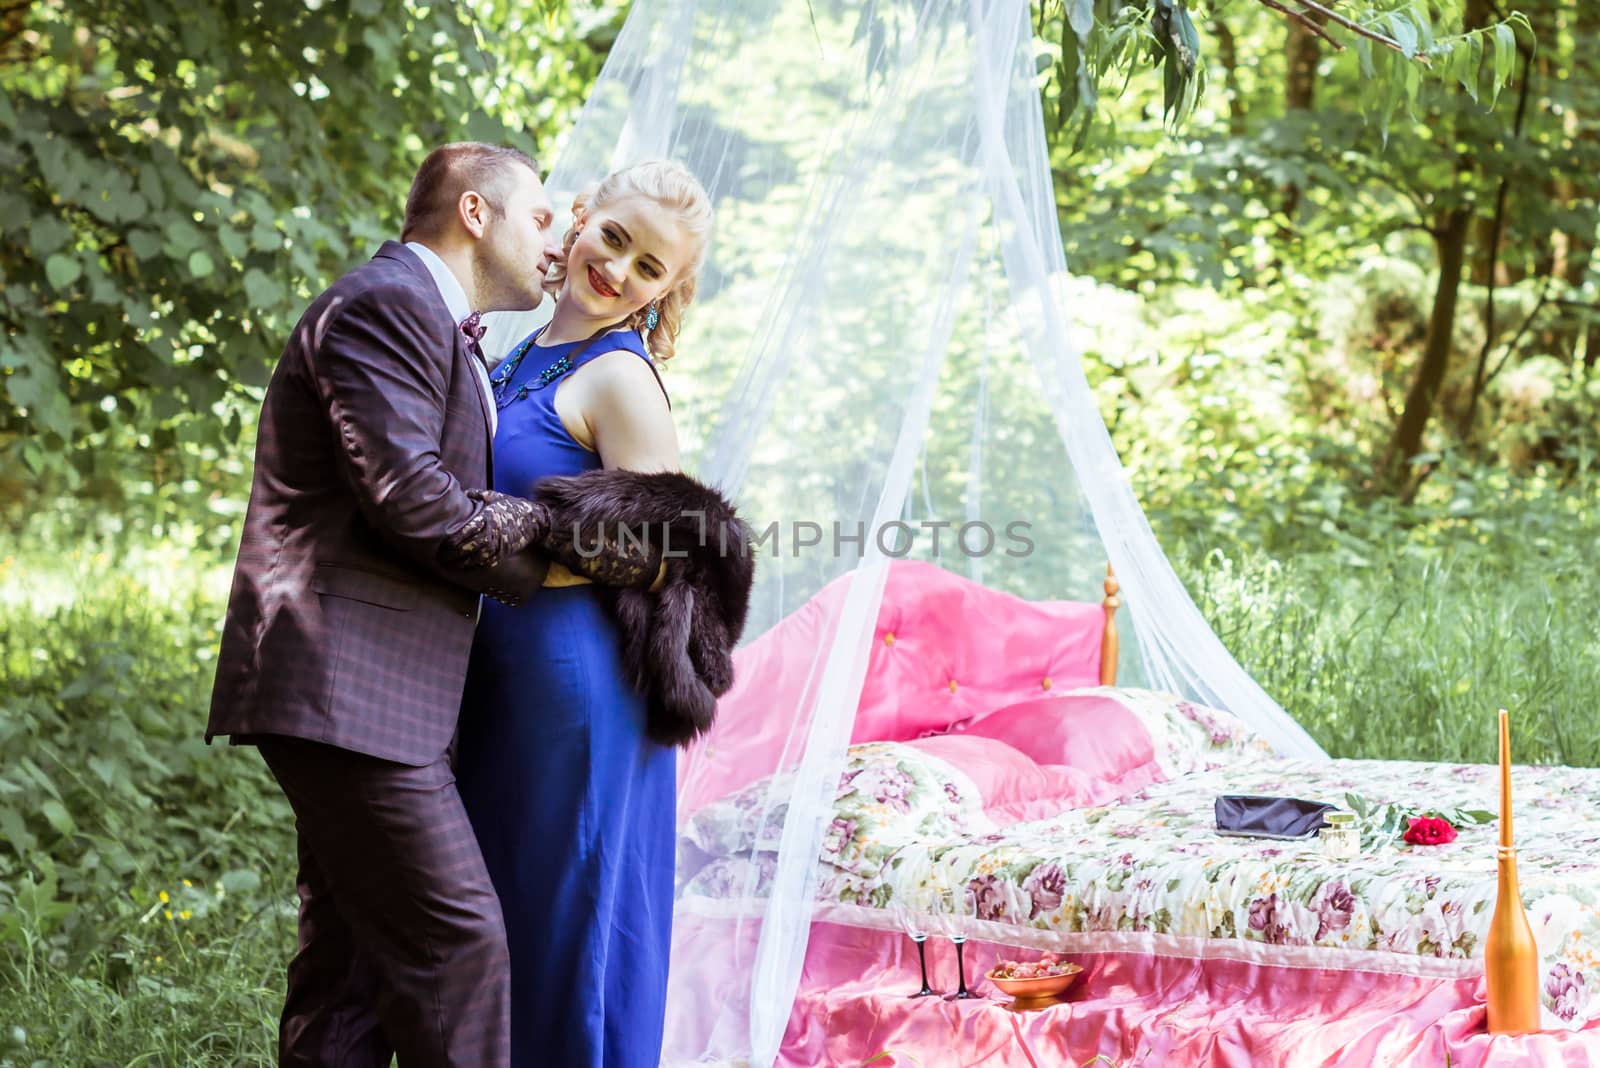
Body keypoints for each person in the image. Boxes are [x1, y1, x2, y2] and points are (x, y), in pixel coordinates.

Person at [206, 142, 565, 1068]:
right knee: (460, 948)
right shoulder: (386, 303)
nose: (554, 242)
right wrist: (561, 533)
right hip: (347, 694)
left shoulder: (428, 322)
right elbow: (411, 496)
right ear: (475, 212)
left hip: (368, 697)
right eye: (540, 217)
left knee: (351, 974)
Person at [454, 159, 733, 1068]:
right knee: (502, 925)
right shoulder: (521, 350)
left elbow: (667, 557)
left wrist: (516, 567)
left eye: (648, 267)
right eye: (614, 236)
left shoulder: (621, 379)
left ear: (664, 292)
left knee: (566, 926)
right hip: (496, 680)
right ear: (579, 221)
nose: (618, 268)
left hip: (573, 693)